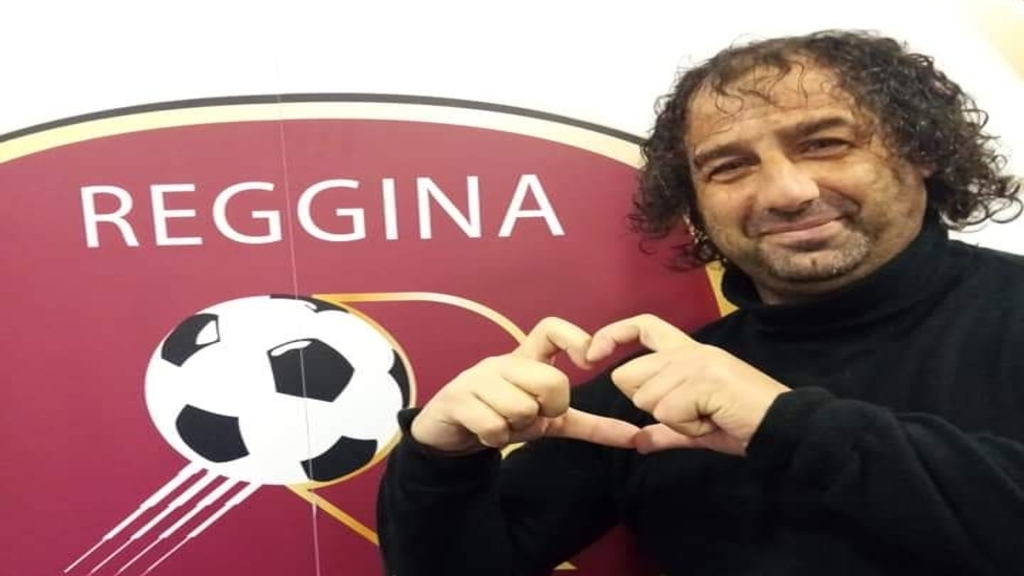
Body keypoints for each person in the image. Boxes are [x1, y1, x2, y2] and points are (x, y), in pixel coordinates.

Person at [375, 29, 1024, 576]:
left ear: (921, 151)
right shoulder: (657, 385)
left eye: (824, 143)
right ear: (695, 203)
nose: (786, 191)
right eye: (729, 166)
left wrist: (786, 424)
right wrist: (442, 459)